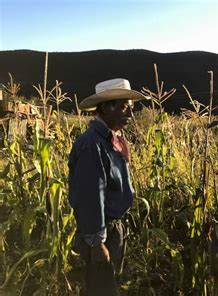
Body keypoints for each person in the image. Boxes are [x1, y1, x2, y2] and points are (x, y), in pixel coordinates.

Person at [68, 78, 148, 295]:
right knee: (102, 289)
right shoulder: (91, 144)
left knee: (108, 284)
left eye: (131, 108)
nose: (130, 114)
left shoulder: (110, 140)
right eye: (124, 108)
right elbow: (91, 196)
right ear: (105, 107)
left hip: (113, 230)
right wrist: (97, 243)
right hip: (102, 233)